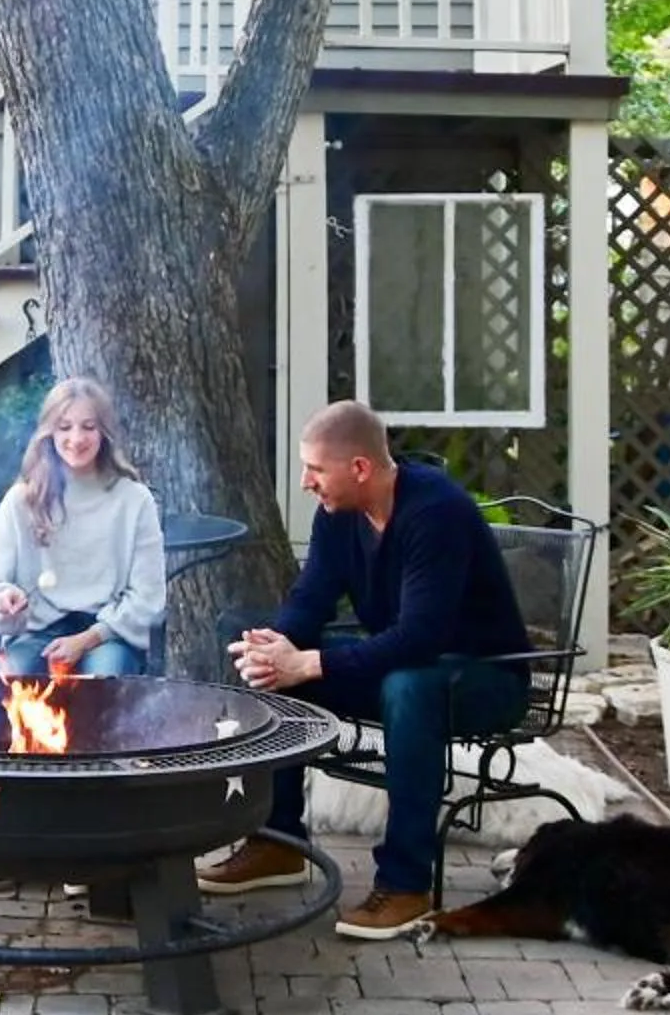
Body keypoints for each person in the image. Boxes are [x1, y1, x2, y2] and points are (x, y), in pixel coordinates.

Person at [198, 399, 530, 940]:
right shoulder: (338, 513)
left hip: (487, 677)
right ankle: (278, 844)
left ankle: (405, 885)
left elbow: (422, 635)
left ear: (359, 467)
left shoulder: (436, 512)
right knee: (281, 673)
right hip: (405, 666)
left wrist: (311, 662)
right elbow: (311, 598)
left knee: (406, 688)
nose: (305, 482)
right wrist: (278, 647)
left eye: (315, 469)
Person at [0, 376, 168, 678]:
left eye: (88, 427)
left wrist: (87, 640)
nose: (77, 438)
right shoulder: (21, 500)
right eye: (64, 427)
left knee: (100, 685)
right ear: (49, 433)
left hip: (108, 635)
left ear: (104, 432)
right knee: (10, 683)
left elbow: (148, 597)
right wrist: (3, 600)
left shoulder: (135, 500)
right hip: (37, 633)